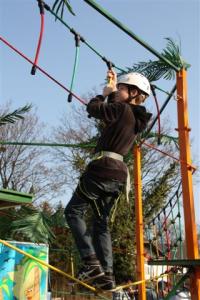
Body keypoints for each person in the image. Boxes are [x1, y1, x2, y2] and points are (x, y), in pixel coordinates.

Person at [65, 69, 152, 291]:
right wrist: (114, 84)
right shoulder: (133, 117)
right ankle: (107, 274)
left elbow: (94, 109)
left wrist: (103, 94)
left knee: (73, 212)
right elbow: (115, 108)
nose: (119, 91)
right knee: (101, 223)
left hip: (102, 170)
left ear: (133, 93)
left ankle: (91, 262)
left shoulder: (122, 109)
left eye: (123, 88)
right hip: (118, 175)